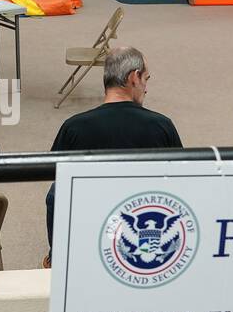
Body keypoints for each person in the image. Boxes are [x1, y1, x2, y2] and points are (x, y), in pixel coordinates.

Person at [44, 47, 182, 266]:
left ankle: (57, 257)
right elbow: (182, 179)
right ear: (133, 77)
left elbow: (51, 173)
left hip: (88, 221)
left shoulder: (74, 127)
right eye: (146, 79)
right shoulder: (161, 126)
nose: (146, 88)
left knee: (55, 191)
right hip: (143, 219)